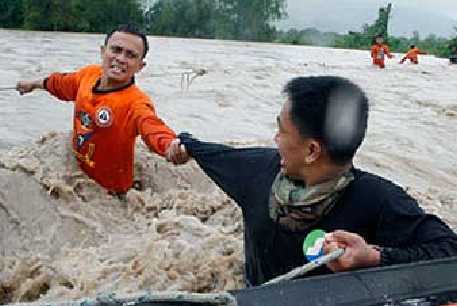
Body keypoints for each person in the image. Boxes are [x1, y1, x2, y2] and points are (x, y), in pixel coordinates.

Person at [167, 76, 457, 286]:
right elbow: (216, 154)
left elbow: (449, 254)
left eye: (281, 131)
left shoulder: (379, 201)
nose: (275, 139)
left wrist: (373, 258)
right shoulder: (257, 170)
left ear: (311, 151)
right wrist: (186, 145)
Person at [16, 24, 188, 194]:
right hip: (76, 172)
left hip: (110, 193)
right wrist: (34, 84)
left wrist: (171, 147)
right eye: (116, 50)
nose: (120, 58)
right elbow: (60, 83)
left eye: (131, 55)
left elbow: (152, 128)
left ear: (140, 66)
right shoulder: (88, 75)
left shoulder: (136, 103)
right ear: (103, 51)